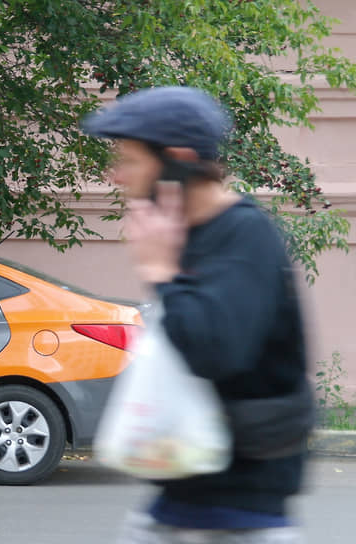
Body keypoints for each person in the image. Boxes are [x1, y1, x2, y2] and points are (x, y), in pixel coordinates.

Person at [81, 86, 311, 543]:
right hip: (191, 487)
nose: (117, 176)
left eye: (131, 161)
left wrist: (161, 273)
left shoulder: (245, 237)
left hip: (240, 506)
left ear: (178, 159)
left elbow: (214, 350)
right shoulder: (191, 235)